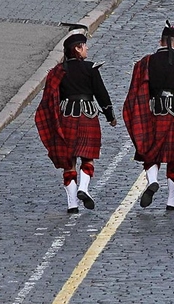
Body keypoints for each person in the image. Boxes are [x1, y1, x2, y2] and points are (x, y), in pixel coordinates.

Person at [35, 25, 117, 213]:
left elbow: (49, 99)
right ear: (78, 49)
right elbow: (101, 94)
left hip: (66, 118)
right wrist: (110, 116)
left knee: (69, 161)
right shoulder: (90, 68)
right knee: (88, 157)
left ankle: (72, 204)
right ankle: (84, 188)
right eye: (85, 46)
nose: (87, 49)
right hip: (88, 116)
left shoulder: (57, 71)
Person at [123, 20, 174, 209]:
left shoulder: (147, 62)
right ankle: (172, 200)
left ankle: (152, 181)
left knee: (151, 149)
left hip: (154, 112)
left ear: (160, 41)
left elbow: (140, 90)